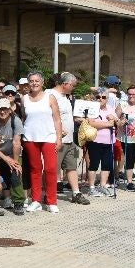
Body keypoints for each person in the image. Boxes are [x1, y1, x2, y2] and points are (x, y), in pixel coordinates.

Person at [21, 72, 63, 212]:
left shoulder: (50, 98)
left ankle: (52, 201)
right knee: (35, 169)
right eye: (31, 81)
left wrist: (59, 138)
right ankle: (36, 200)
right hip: (30, 137)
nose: (34, 83)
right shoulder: (24, 98)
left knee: (50, 169)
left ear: (42, 82)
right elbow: (23, 118)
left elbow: (57, 119)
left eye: (37, 80)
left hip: (48, 137)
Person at [51, 73, 89, 206]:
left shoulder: (65, 97)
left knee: (72, 167)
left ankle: (76, 193)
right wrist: (57, 132)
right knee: (52, 168)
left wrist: (78, 120)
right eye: (72, 85)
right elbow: (48, 116)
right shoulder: (50, 95)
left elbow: (66, 116)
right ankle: (48, 194)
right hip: (57, 140)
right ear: (65, 84)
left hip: (69, 140)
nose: (73, 88)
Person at [0, 98, 25, 211]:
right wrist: (6, 159)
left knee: (15, 173)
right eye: (0, 109)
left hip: (12, 152)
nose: (2, 112)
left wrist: (14, 162)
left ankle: (18, 201)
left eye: (5, 109)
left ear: (10, 110)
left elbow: (16, 142)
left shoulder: (16, 121)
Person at [84, 94, 119, 198]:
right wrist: (108, 124)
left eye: (103, 97)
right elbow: (92, 123)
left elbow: (117, 123)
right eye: (98, 97)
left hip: (109, 141)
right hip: (95, 140)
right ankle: (91, 188)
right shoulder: (92, 109)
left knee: (106, 164)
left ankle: (103, 186)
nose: (100, 99)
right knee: (94, 164)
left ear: (107, 99)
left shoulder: (111, 109)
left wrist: (115, 120)